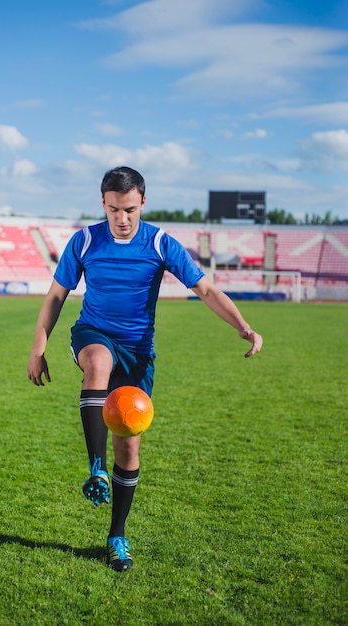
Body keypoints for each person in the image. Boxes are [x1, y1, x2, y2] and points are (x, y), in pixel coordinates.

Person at [27, 166, 263, 571]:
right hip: (92, 333)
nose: (122, 219)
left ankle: (117, 534)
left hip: (138, 353)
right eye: (114, 209)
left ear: (143, 203)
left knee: (130, 446)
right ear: (103, 203)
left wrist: (242, 326)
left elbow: (205, 288)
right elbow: (55, 296)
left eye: (130, 210)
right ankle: (95, 469)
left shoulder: (159, 243)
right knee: (97, 363)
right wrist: (38, 348)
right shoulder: (84, 241)